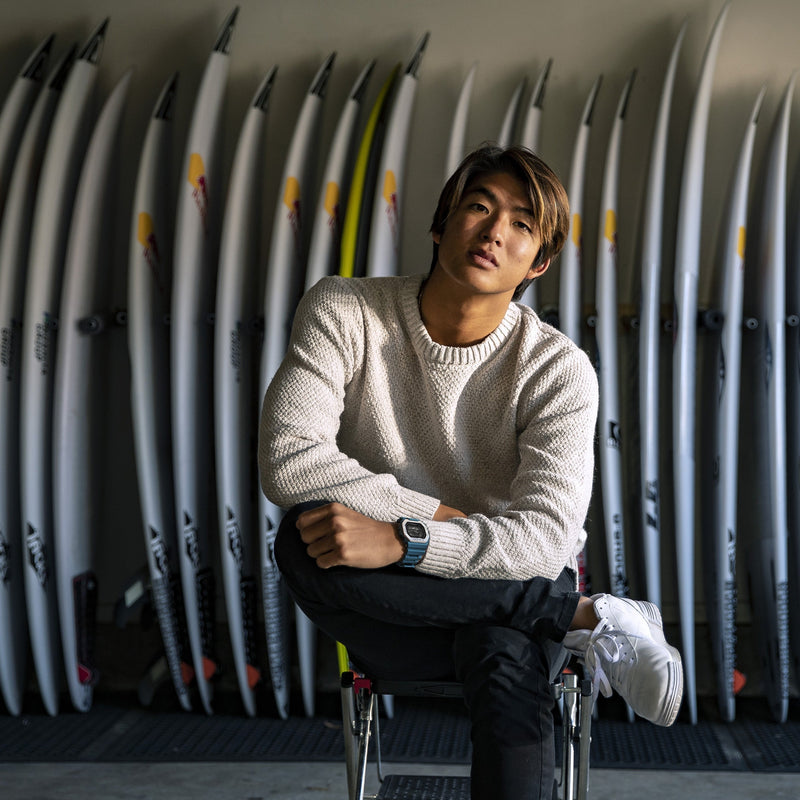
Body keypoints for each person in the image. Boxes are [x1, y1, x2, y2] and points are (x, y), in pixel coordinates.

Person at [258, 144, 683, 800]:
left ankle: (549, 614)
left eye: (521, 224)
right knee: (302, 538)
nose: (493, 231)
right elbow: (290, 461)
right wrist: (437, 519)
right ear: (439, 224)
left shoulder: (557, 369)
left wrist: (406, 541)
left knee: (503, 650)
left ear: (539, 262)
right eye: (479, 208)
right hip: (397, 613)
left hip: (491, 601)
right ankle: (579, 617)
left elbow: (543, 541)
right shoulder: (343, 311)